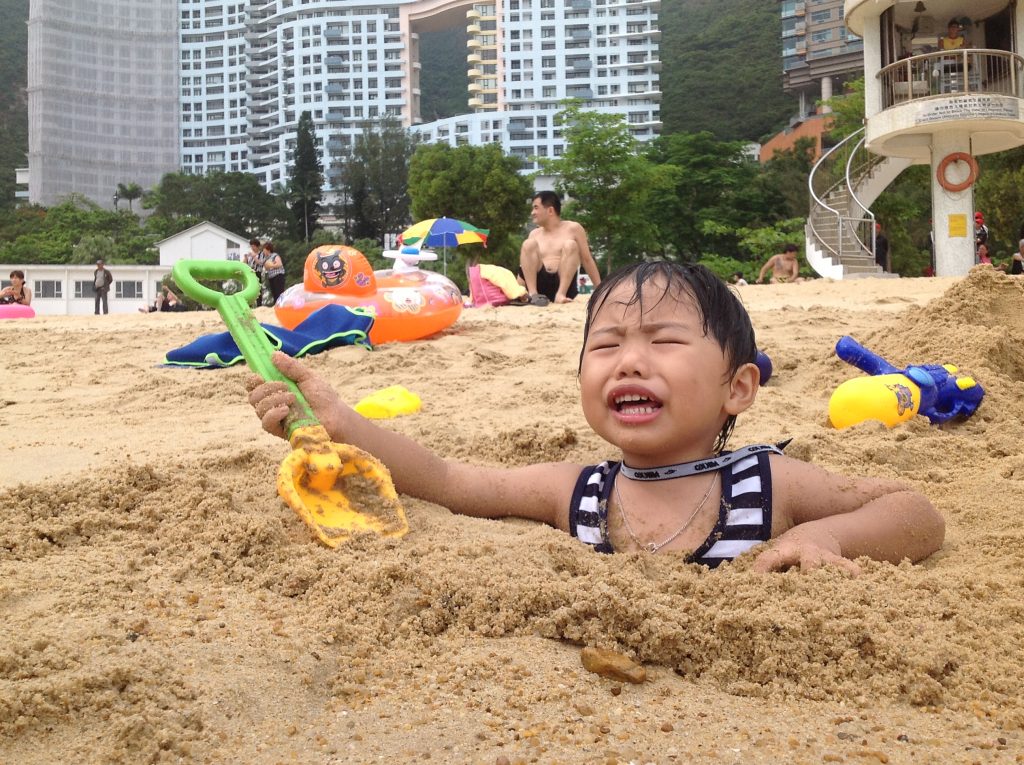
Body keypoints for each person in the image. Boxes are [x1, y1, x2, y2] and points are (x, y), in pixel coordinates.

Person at [247, 261, 944, 573]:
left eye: (664, 341)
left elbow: (914, 511)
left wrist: (825, 538)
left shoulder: (766, 483)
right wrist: (339, 420)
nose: (628, 362)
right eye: (605, 345)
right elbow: (451, 480)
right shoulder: (577, 491)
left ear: (738, 388)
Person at [517, 191, 601, 306]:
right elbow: (525, 267)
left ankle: (560, 294)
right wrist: (517, 291)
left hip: (565, 286)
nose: (532, 213)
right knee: (528, 244)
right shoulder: (534, 234)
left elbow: (587, 260)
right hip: (540, 288)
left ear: (550, 210)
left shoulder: (573, 228)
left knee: (570, 245)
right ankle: (533, 294)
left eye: (536, 208)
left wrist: (600, 290)